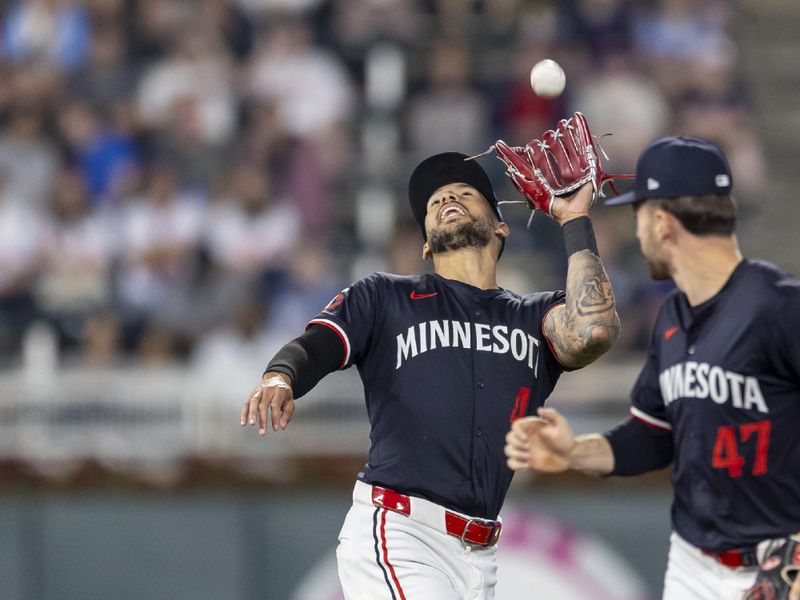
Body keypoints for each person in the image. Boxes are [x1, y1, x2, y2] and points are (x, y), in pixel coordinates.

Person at [242, 151, 620, 599]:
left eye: (465, 192)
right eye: (435, 200)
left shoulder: (533, 317)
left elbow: (593, 329)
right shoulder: (386, 297)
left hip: (480, 555)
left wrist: (574, 220)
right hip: (402, 531)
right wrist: (281, 376)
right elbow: (319, 344)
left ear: (501, 227)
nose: (447, 198)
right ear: (425, 243)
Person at [504, 137, 800, 600]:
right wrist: (573, 452)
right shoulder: (673, 319)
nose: (637, 232)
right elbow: (653, 436)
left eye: (638, 214)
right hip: (693, 564)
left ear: (662, 223)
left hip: (780, 566)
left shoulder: (780, 308)